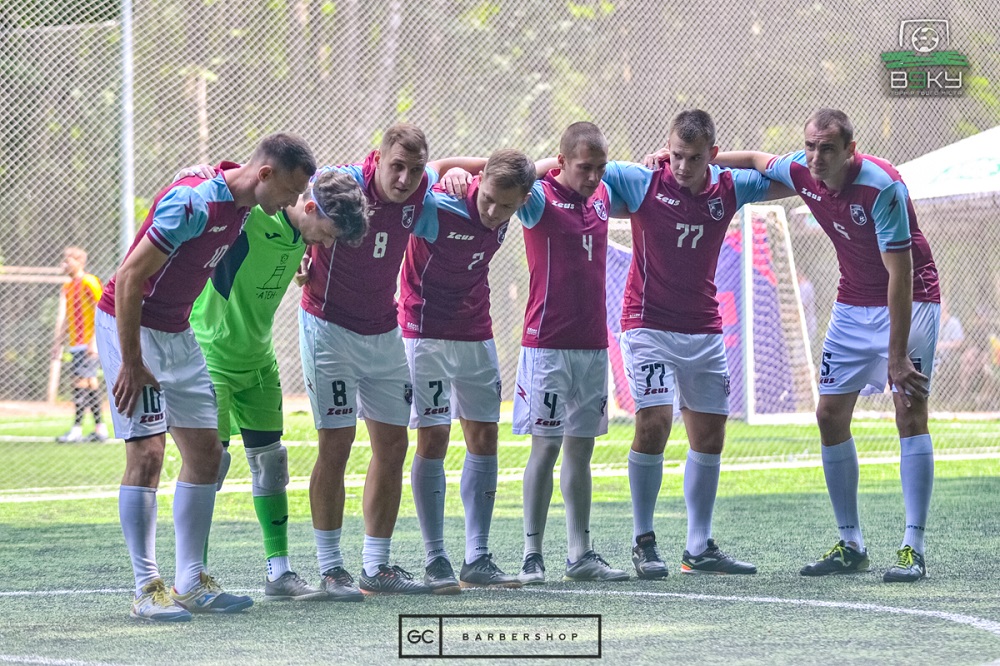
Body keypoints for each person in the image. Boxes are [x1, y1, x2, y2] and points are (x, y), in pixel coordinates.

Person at [95, 133, 316, 621]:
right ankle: (146, 588)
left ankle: (191, 582)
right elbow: (129, 278)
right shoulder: (194, 204)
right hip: (130, 325)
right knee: (148, 454)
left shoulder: (242, 205)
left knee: (207, 455)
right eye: (289, 191)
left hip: (178, 331)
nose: (292, 202)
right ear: (265, 175)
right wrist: (131, 361)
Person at [715, 108, 941, 582]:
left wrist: (897, 355)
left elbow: (900, 275)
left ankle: (913, 548)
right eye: (810, 146)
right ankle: (851, 543)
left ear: (850, 151)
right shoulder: (802, 169)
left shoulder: (882, 186)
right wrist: (703, 157)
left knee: (909, 411)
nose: (816, 157)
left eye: (827, 149)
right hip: (852, 301)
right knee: (829, 415)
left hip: (910, 299)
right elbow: (755, 159)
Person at [299, 123, 483, 595]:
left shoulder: (421, 188)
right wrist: (296, 253)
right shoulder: (342, 183)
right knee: (336, 444)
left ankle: (376, 567)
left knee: (394, 445)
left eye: (414, 170)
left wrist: (462, 173)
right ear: (377, 158)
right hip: (328, 327)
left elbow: (465, 171)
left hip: (384, 330)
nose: (404, 179)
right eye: (396, 166)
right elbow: (289, 196)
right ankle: (330, 567)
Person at [607, 109, 790, 578]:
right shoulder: (642, 181)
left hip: (705, 329)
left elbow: (792, 178)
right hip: (647, 325)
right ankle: (644, 541)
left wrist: (733, 160)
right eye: (675, 155)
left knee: (710, 435)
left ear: (712, 154)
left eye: (693, 157)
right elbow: (574, 167)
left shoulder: (729, 186)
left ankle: (698, 546)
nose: (682, 166)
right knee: (654, 423)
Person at [183, 168, 370, 601]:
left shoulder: (302, 233)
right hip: (212, 355)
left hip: (259, 361)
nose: (326, 245)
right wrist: (198, 174)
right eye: (327, 234)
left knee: (272, 464)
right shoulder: (253, 214)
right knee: (208, 466)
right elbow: (238, 179)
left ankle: (279, 571)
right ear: (310, 208)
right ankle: (194, 575)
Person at [399, 149, 535, 593]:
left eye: (506, 206)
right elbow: (404, 185)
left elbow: (547, 164)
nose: (493, 212)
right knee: (434, 437)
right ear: (481, 183)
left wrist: (474, 167)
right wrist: (445, 167)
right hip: (425, 332)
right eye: (489, 199)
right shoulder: (440, 203)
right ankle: (435, 557)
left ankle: (478, 556)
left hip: (476, 330)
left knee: (485, 437)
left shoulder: (516, 202)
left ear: (522, 201)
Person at [514, 121, 629, 585]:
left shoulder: (602, 196)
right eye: (584, 167)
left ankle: (580, 553)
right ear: (562, 162)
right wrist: (548, 166)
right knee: (546, 447)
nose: (594, 176)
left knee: (581, 450)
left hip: (593, 344)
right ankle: (532, 554)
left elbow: (639, 179)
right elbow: (514, 175)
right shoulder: (537, 197)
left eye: (601, 167)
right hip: (547, 346)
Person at [52, 247, 107, 443]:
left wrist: (94, 341)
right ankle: (100, 429)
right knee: (91, 383)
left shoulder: (89, 282)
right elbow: (68, 317)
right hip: (75, 343)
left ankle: (76, 429)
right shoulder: (67, 287)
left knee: (79, 382)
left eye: (68, 261)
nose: (64, 265)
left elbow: (102, 309)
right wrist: (58, 343)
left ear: (80, 262)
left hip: (88, 343)